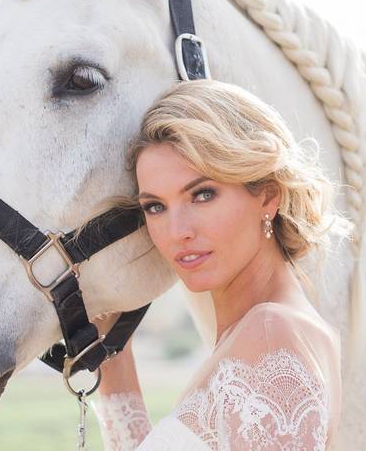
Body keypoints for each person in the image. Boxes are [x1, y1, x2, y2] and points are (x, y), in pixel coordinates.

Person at [88, 79, 349, 450]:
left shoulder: (271, 334)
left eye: (203, 194)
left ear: (268, 196)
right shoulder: (263, 333)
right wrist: (113, 354)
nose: (177, 232)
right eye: (155, 206)